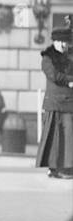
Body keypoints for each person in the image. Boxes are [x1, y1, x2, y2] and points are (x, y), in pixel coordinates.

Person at [37, 25, 73, 179]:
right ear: (54, 42)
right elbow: (54, 76)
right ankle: (55, 168)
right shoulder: (47, 58)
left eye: (66, 42)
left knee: (68, 137)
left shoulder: (70, 57)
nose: (64, 45)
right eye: (60, 42)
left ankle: (66, 168)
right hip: (54, 104)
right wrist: (70, 81)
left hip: (69, 103)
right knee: (55, 138)